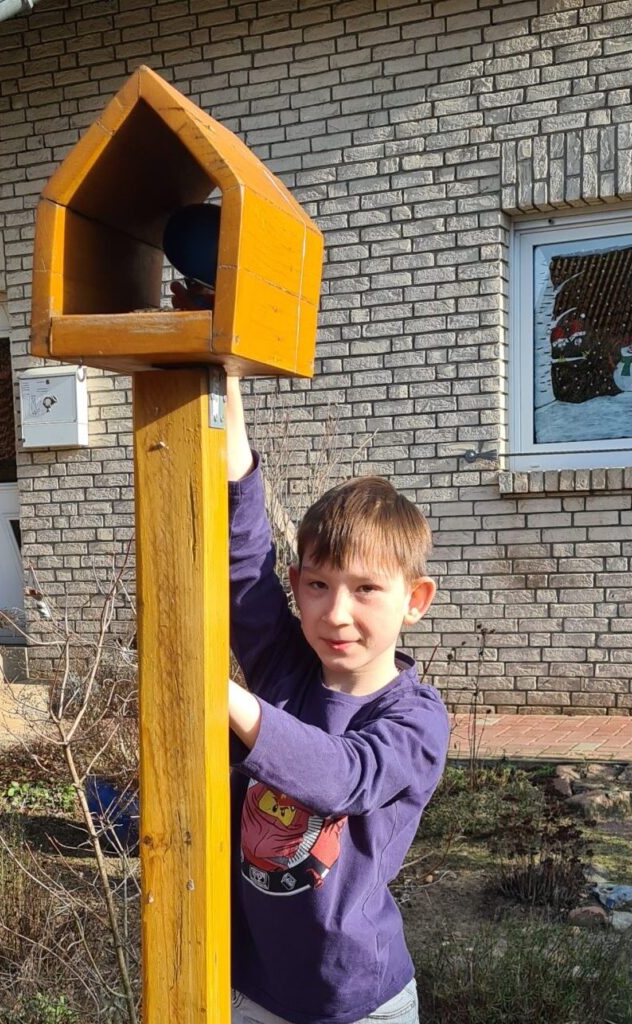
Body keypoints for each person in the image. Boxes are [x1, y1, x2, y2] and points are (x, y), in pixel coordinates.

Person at [225, 377, 450, 1024]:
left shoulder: (415, 719)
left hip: (356, 1002)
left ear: (414, 601)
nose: (336, 612)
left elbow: (342, 776)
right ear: (296, 585)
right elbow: (244, 564)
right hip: (253, 989)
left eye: (366, 589)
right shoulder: (285, 668)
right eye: (318, 585)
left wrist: (222, 698)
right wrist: (226, 390)